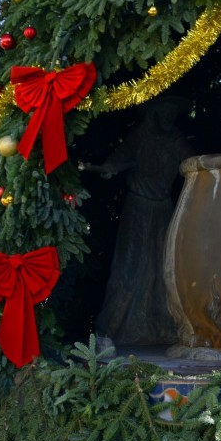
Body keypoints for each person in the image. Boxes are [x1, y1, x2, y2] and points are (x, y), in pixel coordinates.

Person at [83, 96, 194, 345]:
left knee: (164, 266)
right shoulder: (141, 135)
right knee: (131, 265)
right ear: (154, 112)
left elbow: (191, 164)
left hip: (164, 208)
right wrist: (110, 167)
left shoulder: (177, 141)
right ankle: (112, 329)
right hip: (138, 208)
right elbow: (119, 157)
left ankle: (164, 329)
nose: (167, 115)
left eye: (172, 110)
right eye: (164, 109)